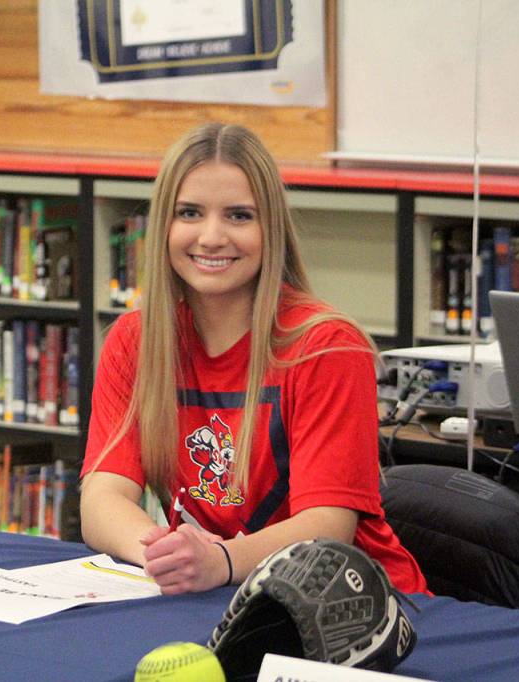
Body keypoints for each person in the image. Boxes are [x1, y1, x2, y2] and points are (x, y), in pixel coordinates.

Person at [80, 123, 427, 594]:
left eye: (239, 216)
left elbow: (326, 528)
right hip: (225, 593)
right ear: (163, 225)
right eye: (189, 213)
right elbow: (102, 498)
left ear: (272, 230)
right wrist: (165, 557)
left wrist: (218, 560)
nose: (212, 236)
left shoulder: (328, 347)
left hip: (357, 605)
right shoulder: (135, 342)